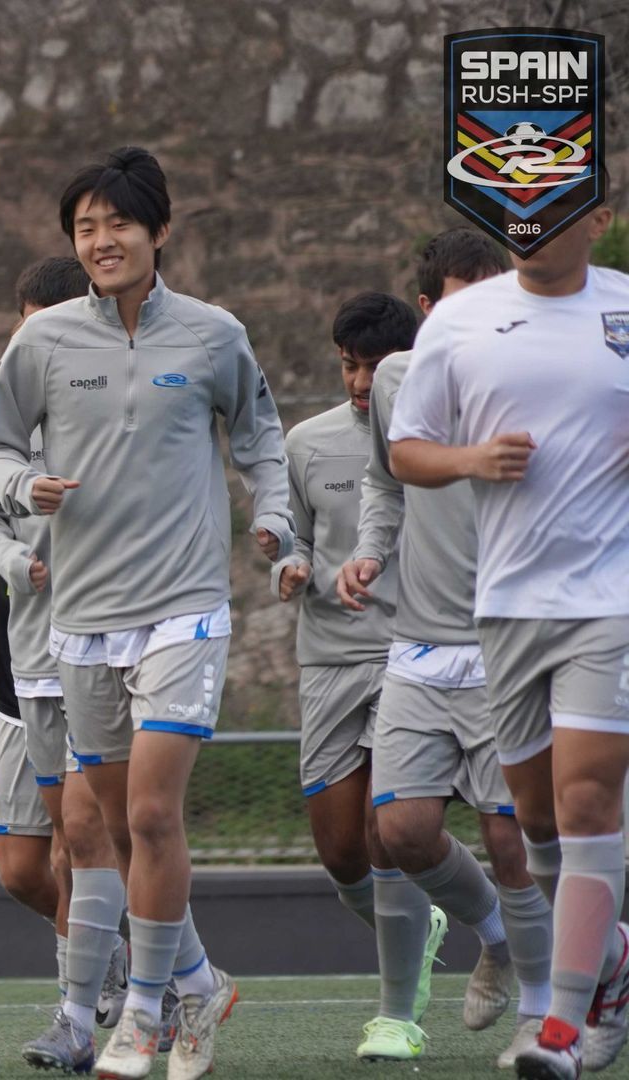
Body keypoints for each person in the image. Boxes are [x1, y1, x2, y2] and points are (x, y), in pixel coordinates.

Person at [0, 146, 294, 1080]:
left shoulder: (213, 334)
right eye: (86, 228)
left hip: (185, 607)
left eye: (119, 223)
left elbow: (263, 441)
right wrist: (24, 481)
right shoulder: (41, 342)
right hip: (82, 615)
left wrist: (272, 516)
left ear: (160, 230)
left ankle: (141, 1015)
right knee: (109, 829)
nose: (102, 241)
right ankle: (196, 983)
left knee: (151, 812)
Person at [388, 202, 629, 1080]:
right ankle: (614, 961)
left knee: (590, 802)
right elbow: (406, 447)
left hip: (609, 601)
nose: (529, 226)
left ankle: (560, 1027)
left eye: (554, 211)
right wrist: (472, 459)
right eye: (516, 212)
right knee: (536, 827)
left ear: (598, 218)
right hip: (504, 605)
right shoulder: (460, 319)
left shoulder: (623, 309)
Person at [338, 228, 550, 1070]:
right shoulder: (396, 378)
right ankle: (494, 934)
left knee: (512, 843)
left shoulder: (539, 374)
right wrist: (367, 551)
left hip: (509, 643)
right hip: (420, 648)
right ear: (427, 313)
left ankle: (541, 1013)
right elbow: (384, 482)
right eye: (467, 302)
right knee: (403, 831)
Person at [0, 255, 133, 1072]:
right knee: (25, 866)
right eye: (24, 323)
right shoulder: (0, 420)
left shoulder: (111, 415)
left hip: (93, 654)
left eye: (48, 321)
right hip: (16, 671)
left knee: (78, 843)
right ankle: (128, 957)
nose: (33, 340)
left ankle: (86, 1008)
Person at [273, 291, 457, 1060]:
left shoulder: (436, 438)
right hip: (327, 657)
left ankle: (396, 1016)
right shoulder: (305, 443)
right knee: (342, 850)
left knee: (390, 831)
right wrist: (292, 562)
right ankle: (429, 918)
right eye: (349, 366)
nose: (358, 382)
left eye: (373, 368)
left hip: (407, 653)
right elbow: (294, 533)